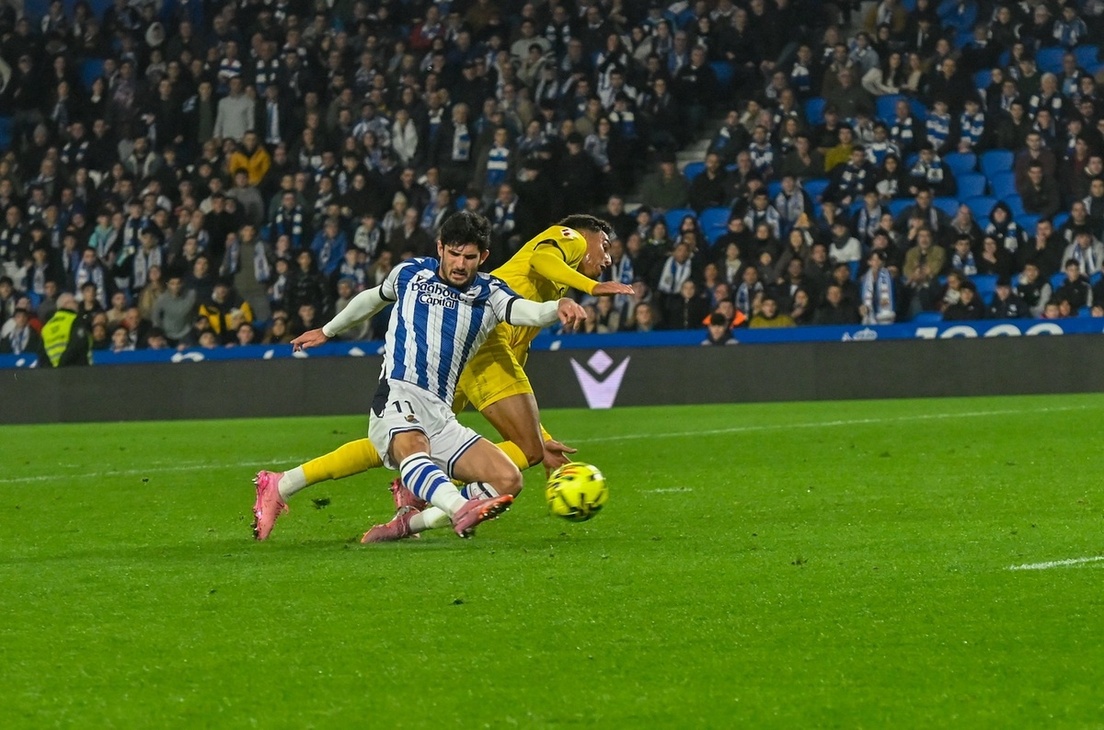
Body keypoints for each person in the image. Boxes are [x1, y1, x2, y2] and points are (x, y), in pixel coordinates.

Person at [252, 213, 633, 541]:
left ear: (483, 258)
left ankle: (389, 513)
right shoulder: (413, 273)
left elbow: (525, 312)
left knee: (503, 476)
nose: (460, 264)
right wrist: (328, 330)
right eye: (454, 254)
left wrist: (559, 305)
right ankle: (455, 505)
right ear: (440, 249)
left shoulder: (491, 292)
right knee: (412, 446)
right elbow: (374, 297)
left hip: (444, 396)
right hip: (403, 387)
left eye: (470, 257)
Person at [40, 293, 92, 367]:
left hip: (53, 371)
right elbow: (77, 344)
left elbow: (42, 353)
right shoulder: (75, 319)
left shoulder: (46, 326)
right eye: (74, 302)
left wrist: (53, 369)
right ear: (66, 304)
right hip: (76, 369)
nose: (77, 305)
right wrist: (61, 366)